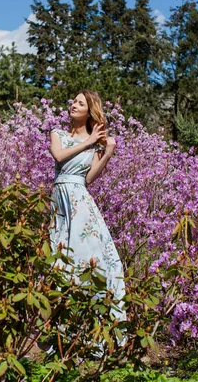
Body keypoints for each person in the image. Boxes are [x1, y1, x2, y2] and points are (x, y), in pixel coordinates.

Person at [49, 89, 125, 320]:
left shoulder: (94, 145)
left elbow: (90, 178)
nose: (74, 105)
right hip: (60, 198)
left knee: (86, 253)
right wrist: (89, 141)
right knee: (59, 253)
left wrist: (107, 152)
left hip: (80, 201)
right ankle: (63, 318)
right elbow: (59, 156)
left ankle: (94, 315)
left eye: (80, 103)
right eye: (73, 101)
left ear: (89, 111)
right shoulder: (58, 133)